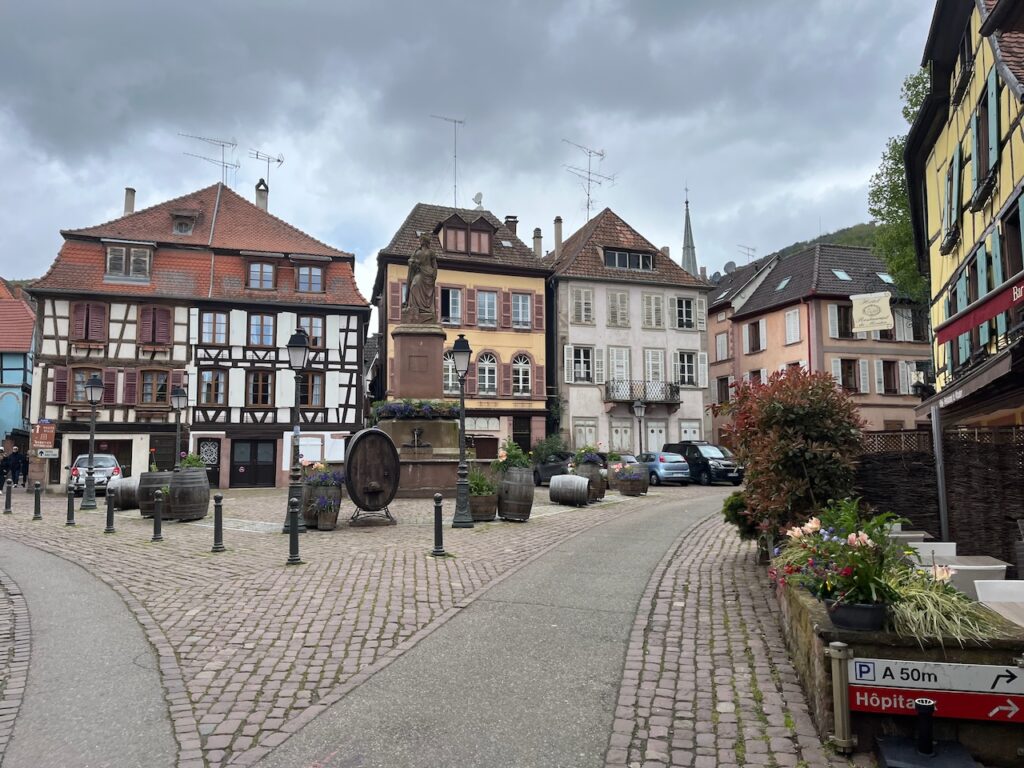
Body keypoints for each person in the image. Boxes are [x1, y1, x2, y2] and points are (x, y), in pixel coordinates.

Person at [401, 232, 438, 323]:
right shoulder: (416, 251)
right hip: (419, 272)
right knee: (414, 285)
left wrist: (434, 274)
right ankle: (414, 308)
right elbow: (411, 259)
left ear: (425, 241)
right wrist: (411, 262)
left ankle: (426, 310)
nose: (420, 241)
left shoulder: (431, 252)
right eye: (420, 240)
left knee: (426, 294)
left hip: (428, 273)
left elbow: (434, 265)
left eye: (421, 240)